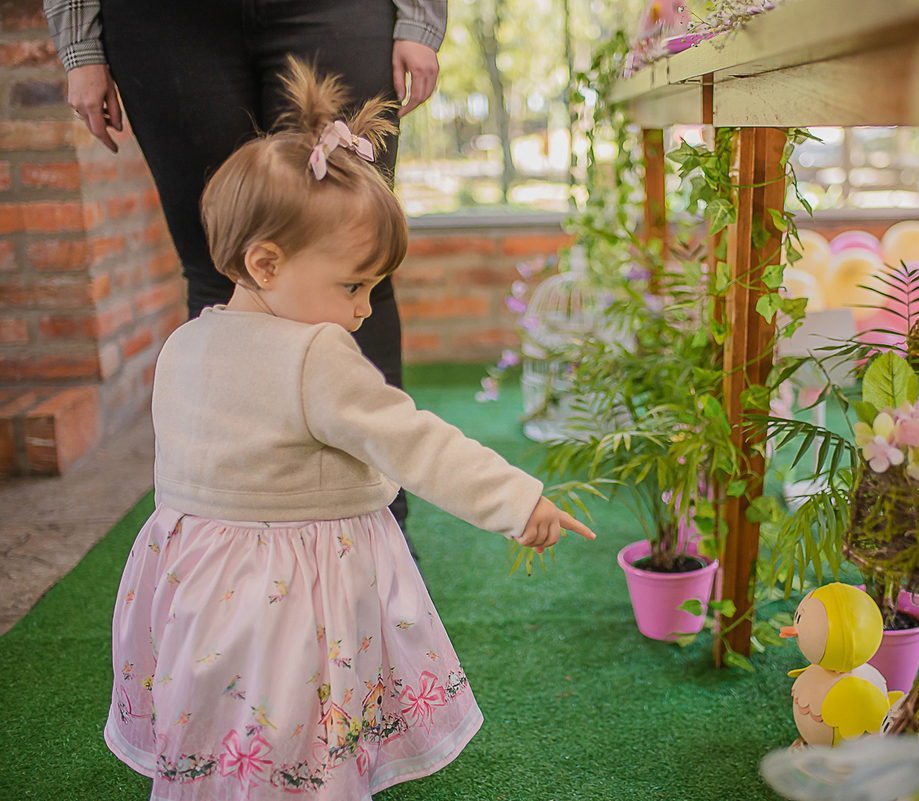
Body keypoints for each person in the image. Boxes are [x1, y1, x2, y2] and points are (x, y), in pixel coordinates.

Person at [103, 59, 595, 800]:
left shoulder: (184, 341)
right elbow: (414, 440)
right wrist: (517, 501)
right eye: (353, 284)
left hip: (194, 588)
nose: (365, 311)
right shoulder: (316, 353)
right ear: (266, 262)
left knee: (230, 730)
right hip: (290, 590)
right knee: (298, 727)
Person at [42, 0, 441, 536]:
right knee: (219, 268)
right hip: (163, 24)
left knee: (353, 257)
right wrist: (81, 46)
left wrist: (420, 19)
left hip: (338, 11)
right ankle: (226, 524)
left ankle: (380, 525)